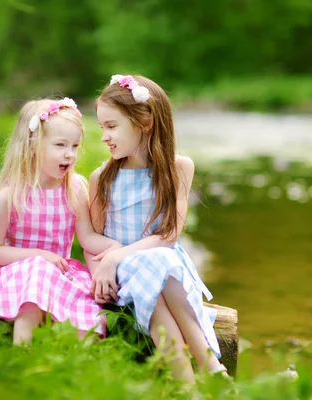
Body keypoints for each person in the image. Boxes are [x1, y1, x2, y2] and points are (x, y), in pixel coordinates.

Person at [0, 98, 120, 345]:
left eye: (74, 146)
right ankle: (23, 351)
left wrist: (114, 249)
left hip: (61, 271)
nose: (69, 154)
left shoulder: (75, 189)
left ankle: (78, 364)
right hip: (19, 271)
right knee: (37, 277)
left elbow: (86, 238)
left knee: (88, 308)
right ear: (32, 145)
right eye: (60, 145)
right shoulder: (12, 196)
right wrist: (39, 257)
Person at [85, 74, 227, 384]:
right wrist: (104, 266)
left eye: (111, 126)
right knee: (155, 267)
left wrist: (114, 256)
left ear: (145, 122)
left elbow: (169, 235)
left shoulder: (178, 168)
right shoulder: (102, 178)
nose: (104, 137)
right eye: (102, 128)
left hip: (166, 269)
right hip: (124, 276)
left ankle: (187, 384)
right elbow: (92, 236)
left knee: (158, 265)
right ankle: (209, 366)